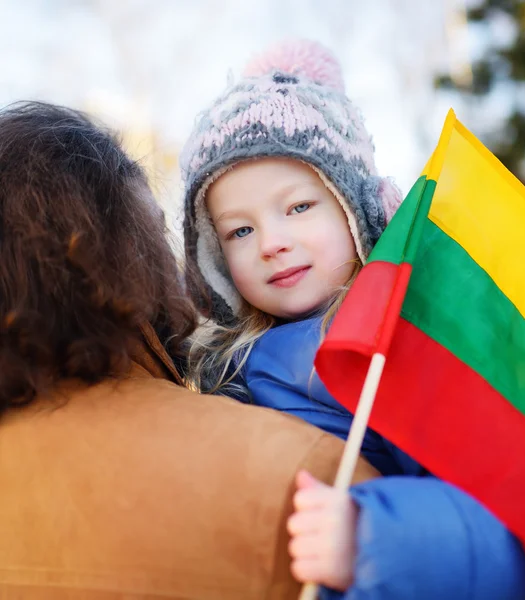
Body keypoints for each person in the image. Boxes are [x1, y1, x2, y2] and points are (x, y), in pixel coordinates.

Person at [180, 40, 525, 599]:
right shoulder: (216, 370)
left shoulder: (405, 340)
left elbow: (513, 515)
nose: (272, 243)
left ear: (357, 208)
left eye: (299, 207)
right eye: (239, 230)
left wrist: (373, 539)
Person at [0, 101, 379, 599]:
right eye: (157, 234)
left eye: (299, 207)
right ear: (121, 258)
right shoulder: (301, 473)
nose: (271, 244)